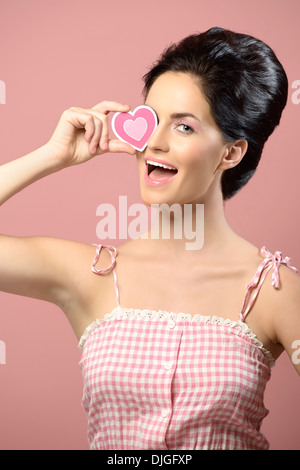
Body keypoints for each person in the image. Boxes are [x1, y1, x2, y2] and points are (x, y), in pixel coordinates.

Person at [1, 26, 300, 450]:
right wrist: (52, 156)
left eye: (184, 128)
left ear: (231, 153)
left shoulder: (274, 290)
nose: (153, 143)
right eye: (151, 120)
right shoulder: (92, 275)